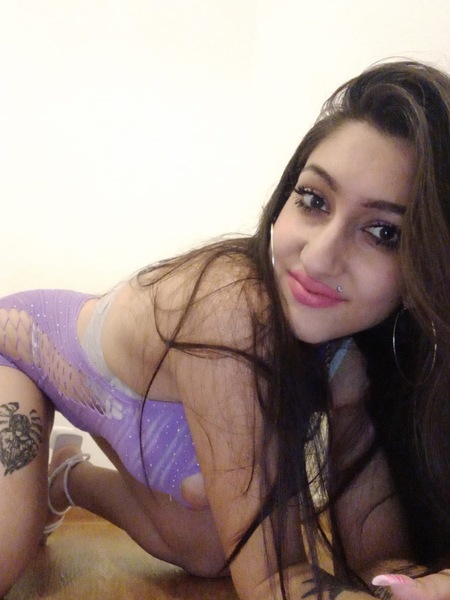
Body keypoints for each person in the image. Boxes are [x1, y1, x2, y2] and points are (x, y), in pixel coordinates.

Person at [1, 58, 450, 600]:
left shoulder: (353, 360)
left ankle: (65, 476)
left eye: (382, 232)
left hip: (153, 413)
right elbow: (271, 581)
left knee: (211, 554)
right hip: (20, 348)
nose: (319, 256)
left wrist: (417, 588)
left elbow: (376, 563)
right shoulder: (233, 309)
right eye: (313, 200)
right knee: (7, 551)